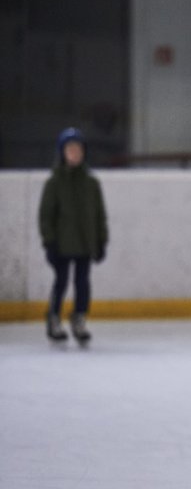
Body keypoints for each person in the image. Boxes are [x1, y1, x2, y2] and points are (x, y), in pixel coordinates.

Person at [38, 127, 109, 345]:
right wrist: (49, 241)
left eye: (78, 149)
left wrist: (101, 240)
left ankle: (79, 318)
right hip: (61, 244)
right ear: (62, 152)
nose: (75, 154)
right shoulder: (54, 183)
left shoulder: (91, 184)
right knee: (61, 282)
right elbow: (45, 214)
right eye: (70, 150)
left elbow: (99, 214)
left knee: (82, 283)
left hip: (85, 244)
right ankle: (54, 318)